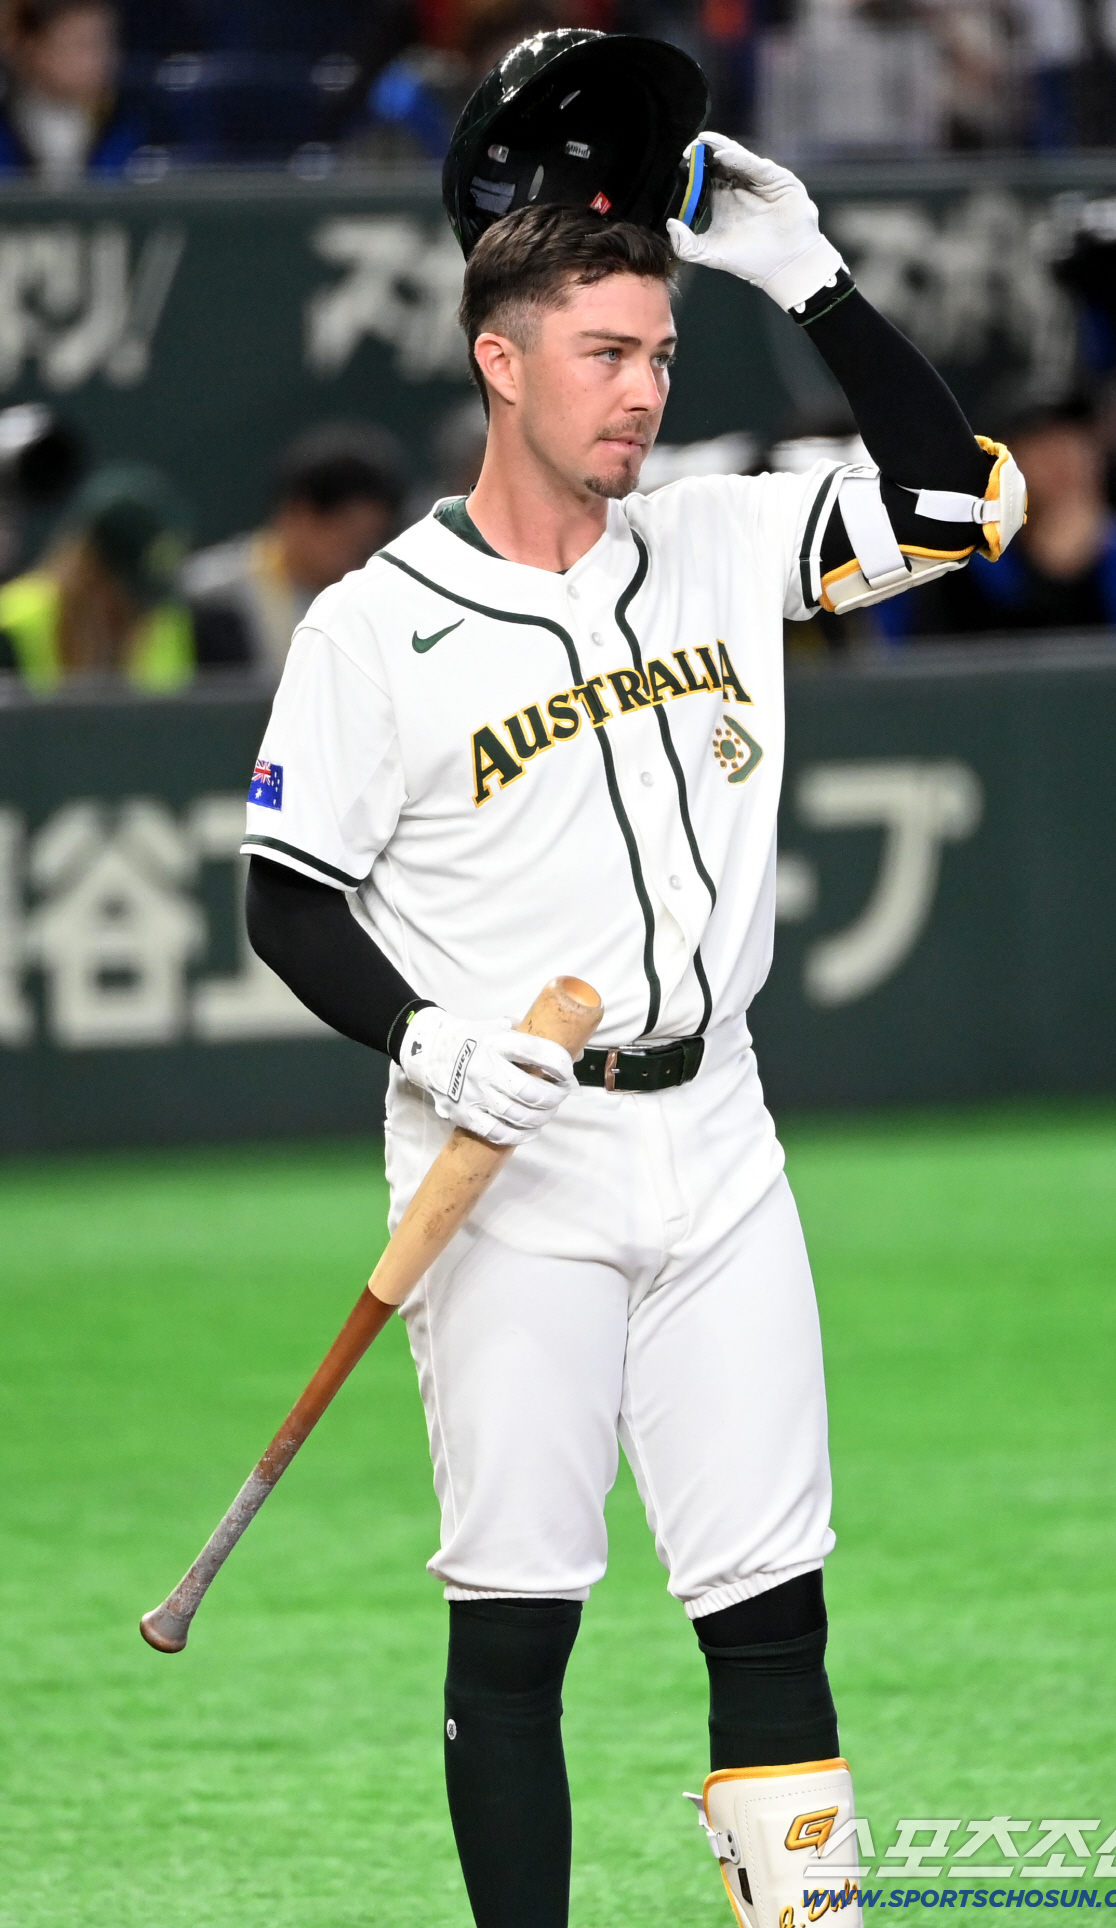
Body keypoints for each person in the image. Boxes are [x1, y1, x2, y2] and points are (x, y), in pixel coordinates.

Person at [239, 32, 1026, 1928]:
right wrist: (433, 1039)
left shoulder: (722, 535)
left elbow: (958, 509)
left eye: (662, 352)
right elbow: (288, 900)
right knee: (518, 1619)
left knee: (771, 1606)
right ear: (500, 362)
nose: (645, 389)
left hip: (720, 1131)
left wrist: (811, 280)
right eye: (606, 352)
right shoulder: (376, 627)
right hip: (510, 1159)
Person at [876, 399, 1116, 639]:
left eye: (1074, 441)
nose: (1063, 460)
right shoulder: (957, 569)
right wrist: (1053, 575)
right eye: (1041, 446)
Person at [182, 422, 407, 681]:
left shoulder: (385, 598)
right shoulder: (212, 598)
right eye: (344, 533)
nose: (356, 552)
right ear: (295, 514)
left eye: (370, 538)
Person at [0, 461, 192, 689]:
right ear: (85, 568)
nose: (131, 613)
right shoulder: (10, 628)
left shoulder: (169, 622)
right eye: (121, 591)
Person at [0, 0, 144, 181]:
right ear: (31, 46)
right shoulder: (6, 129)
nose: (101, 60)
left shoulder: (135, 123)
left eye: (107, 43)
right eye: (81, 44)